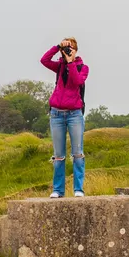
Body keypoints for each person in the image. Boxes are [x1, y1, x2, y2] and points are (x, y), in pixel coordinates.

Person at [40, 38, 89, 198]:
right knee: (58, 155)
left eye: (71, 47)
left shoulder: (83, 67)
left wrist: (70, 62)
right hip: (56, 114)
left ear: (76, 49)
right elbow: (44, 60)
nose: (68, 50)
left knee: (77, 153)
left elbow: (77, 81)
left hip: (74, 114)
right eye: (66, 48)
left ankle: (78, 189)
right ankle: (58, 190)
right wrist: (57, 46)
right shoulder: (59, 67)